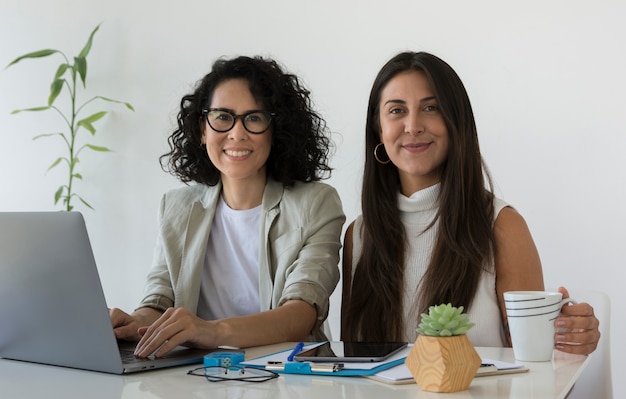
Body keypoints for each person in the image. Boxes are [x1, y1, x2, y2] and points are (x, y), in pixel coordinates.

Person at [341, 51, 600, 355]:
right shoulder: (358, 235)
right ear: (378, 129)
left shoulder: (501, 226)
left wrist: (571, 340)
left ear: (456, 122)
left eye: (431, 107)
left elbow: (539, 368)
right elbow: (353, 366)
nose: (412, 126)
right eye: (396, 111)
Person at [110, 56, 345, 358]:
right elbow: (159, 301)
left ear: (277, 130)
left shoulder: (316, 203)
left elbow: (301, 313)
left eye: (254, 118)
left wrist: (212, 331)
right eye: (222, 117)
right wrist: (131, 324)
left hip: (284, 382)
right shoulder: (176, 207)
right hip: (193, 383)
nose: (237, 133)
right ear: (203, 129)